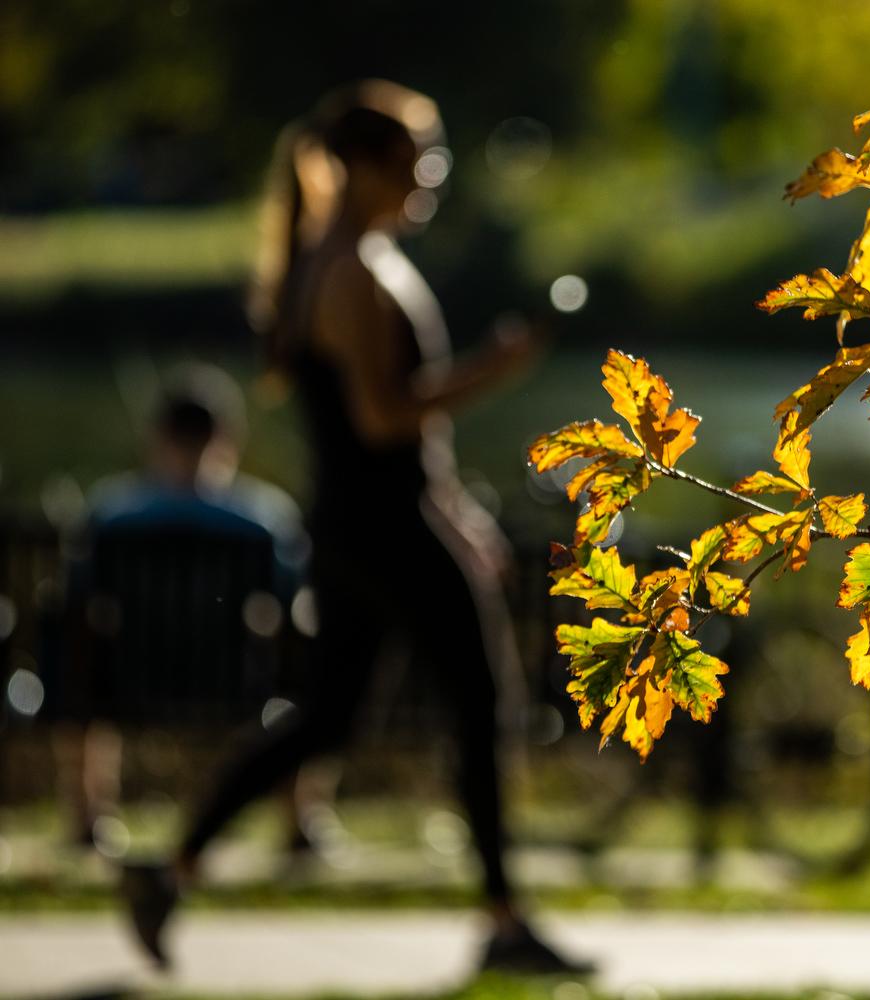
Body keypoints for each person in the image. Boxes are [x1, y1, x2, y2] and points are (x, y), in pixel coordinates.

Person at [121, 81, 587, 975]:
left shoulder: (342, 260)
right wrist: (497, 367)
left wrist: (453, 505)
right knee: (480, 701)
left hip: (358, 522)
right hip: (382, 526)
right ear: (370, 167)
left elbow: (389, 430)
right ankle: (502, 923)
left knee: (328, 718)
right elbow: (384, 419)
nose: (430, 173)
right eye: (418, 155)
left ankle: (170, 871)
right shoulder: (352, 272)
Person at [55, 364, 319, 853]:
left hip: (129, 681)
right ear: (228, 438)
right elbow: (293, 607)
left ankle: (89, 820)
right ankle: (302, 820)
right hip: (237, 684)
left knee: (77, 654)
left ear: (158, 436)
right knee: (302, 667)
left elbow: (77, 600)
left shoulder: (112, 512)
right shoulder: (263, 518)